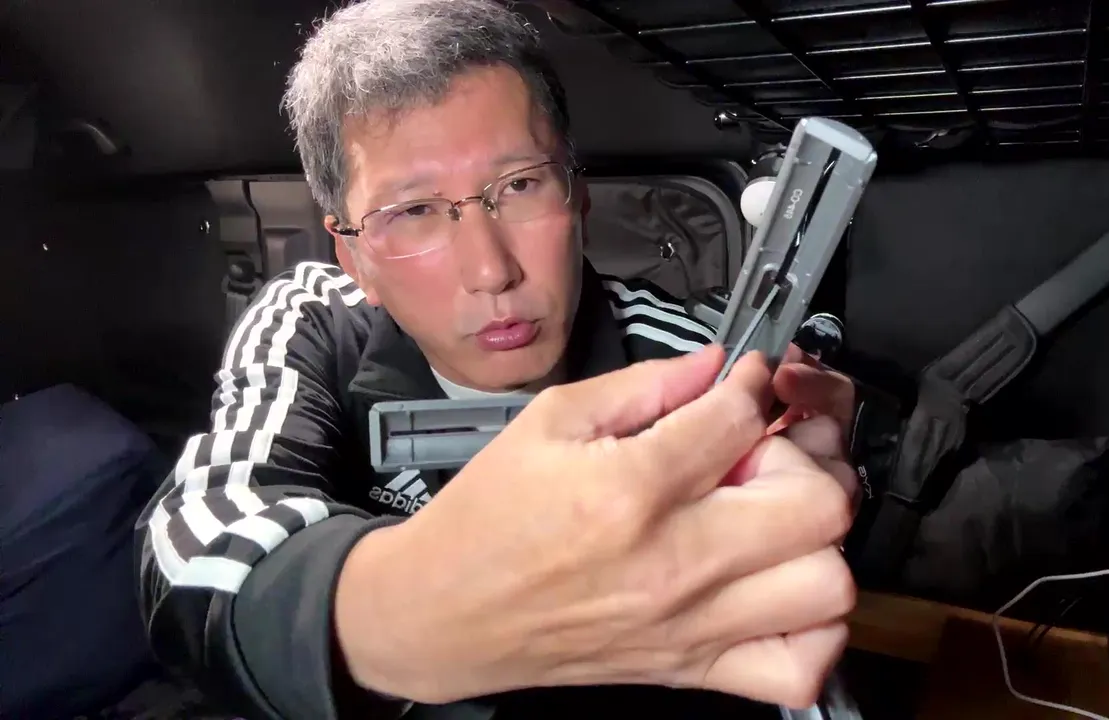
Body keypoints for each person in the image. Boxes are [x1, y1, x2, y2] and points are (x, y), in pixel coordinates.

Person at [134, 1, 861, 719]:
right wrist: (395, 616)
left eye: (519, 186)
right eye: (412, 211)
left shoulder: (700, 363)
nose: (490, 272)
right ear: (354, 258)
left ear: (576, 198)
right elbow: (190, 546)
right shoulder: (314, 320)